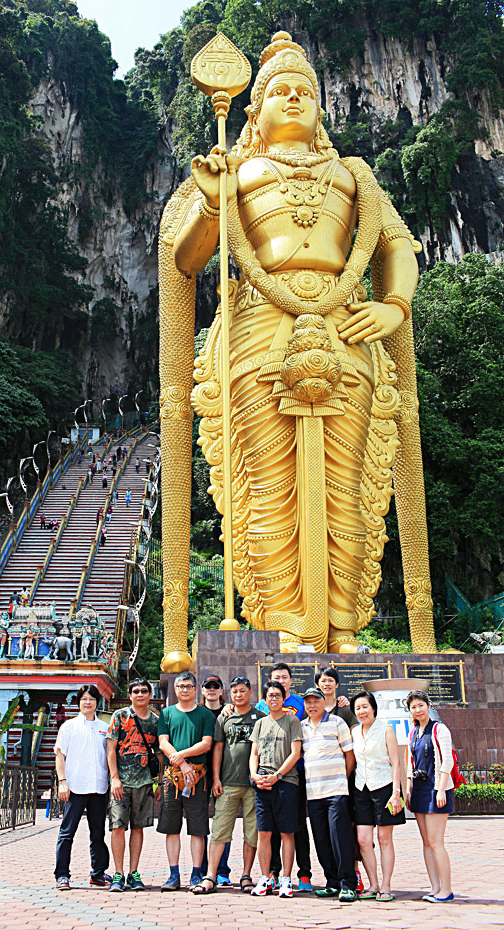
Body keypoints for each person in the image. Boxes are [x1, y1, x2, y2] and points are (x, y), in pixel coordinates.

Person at [160, 31, 432, 661]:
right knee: (266, 483)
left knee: (347, 483)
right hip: (259, 334)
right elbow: (187, 258)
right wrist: (209, 201)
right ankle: (283, 627)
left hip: (345, 333)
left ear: (321, 110)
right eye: (277, 90)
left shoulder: (353, 176)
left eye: (303, 91)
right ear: (251, 112)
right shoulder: (237, 172)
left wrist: (393, 305)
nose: (291, 98)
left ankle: (342, 627)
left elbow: (395, 247)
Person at [193, 676, 265, 895]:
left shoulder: (260, 718)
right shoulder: (225, 718)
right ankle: (210, 876)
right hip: (228, 783)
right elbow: (217, 749)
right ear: (230, 694)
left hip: (253, 784)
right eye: (235, 692)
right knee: (220, 830)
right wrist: (216, 778)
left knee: (251, 833)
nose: (239, 695)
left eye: (243, 691)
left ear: (250, 692)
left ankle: (246, 875)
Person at [254, 662, 312, 892]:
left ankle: (304, 873)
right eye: (277, 677)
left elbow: (319, 712)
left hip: (294, 774)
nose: (281, 680)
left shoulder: (300, 703)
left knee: (296, 826)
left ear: (290, 681)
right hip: (267, 777)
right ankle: (273, 873)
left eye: (285, 677)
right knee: (271, 829)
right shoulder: (261, 706)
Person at [157, 671, 215, 891]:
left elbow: (206, 743)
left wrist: (183, 756)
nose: (184, 690)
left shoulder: (204, 715)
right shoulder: (167, 713)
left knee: (198, 828)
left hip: (197, 778)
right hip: (173, 777)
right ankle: (173, 874)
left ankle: (195, 873)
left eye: (189, 686)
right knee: (172, 828)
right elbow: (163, 742)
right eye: (181, 686)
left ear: (195, 688)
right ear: (175, 689)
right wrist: (181, 762)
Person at [301, 687, 357, 902]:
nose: (312, 705)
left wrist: (343, 778)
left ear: (324, 702)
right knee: (322, 839)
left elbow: (349, 754)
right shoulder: (302, 726)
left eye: (316, 701)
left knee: (339, 837)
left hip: (336, 792)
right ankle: (332, 882)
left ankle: (347, 884)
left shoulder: (337, 722)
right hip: (313, 793)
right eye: (308, 702)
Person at [107, 679, 162, 892]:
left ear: (150, 694)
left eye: (144, 691)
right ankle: (118, 873)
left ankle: (134, 872)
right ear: (130, 695)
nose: (140, 694)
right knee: (118, 826)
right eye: (136, 691)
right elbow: (111, 749)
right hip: (121, 782)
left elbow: (159, 753)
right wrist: (114, 778)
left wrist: (158, 782)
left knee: (139, 827)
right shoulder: (120, 716)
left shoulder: (156, 721)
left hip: (144, 781)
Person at [54, 684, 110, 891]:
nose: (88, 703)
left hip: (98, 788)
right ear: (79, 702)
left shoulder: (104, 727)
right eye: (84, 699)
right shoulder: (68, 727)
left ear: (97, 702)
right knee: (67, 833)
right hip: (75, 787)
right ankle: (62, 875)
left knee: (98, 833)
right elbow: (60, 755)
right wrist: (62, 782)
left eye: (92, 699)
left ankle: (98, 873)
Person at [350, 690, 405, 900]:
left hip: (384, 788)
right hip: (361, 789)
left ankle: (386, 885)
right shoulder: (355, 732)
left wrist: (396, 793)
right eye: (358, 708)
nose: (362, 711)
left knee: (384, 839)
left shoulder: (386, 730)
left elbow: (396, 762)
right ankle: (372, 884)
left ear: (373, 708)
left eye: (365, 707)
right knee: (363, 840)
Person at [249, 680, 302, 898]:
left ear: (284, 698)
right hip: (262, 783)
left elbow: (295, 753)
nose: (274, 699)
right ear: (265, 699)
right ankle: (265, 877)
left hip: (286, 782)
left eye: (277, 695)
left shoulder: (292, 721)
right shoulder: (260, 724)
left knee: (287, 832)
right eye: (270, 696)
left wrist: (278, 775)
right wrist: (254, 775)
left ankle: (286, 879)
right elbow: (254, 753)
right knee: (263, 833)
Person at [315, 665, 361, 891]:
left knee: (343, 830)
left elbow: (352, 745)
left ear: (337, 684)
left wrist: (346, 775)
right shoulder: (310, 712)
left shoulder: (344, 710)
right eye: (322, 681)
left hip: (341, 782)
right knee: (322, 833)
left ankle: (351, 878)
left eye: (330, 680)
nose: (326, 684)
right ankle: (332, 880)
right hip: (315, 785)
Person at [405, 690, 454, 903]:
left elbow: (447, 761)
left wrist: (441, 789)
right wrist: (408, 788)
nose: (418, 710)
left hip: (436, 789)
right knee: (426, 842)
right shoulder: (413, 732)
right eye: (413, 707)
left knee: (436, 842)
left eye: (421, 705)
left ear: (428, 706)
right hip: (419, 790)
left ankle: (447, 889)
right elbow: (410, 763)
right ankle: (435, 887)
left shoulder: (439, 729)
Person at [199, 676, 231, 886]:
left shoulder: (230, 713)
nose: (211, 690)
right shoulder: (197, 713)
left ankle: (221, 869)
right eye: (208, 686)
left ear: (221, 691)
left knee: (223, 822)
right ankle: (202, 868)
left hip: (225, 772)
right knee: (200, 823)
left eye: (215, 686)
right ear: (202, 691)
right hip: (201, 771)